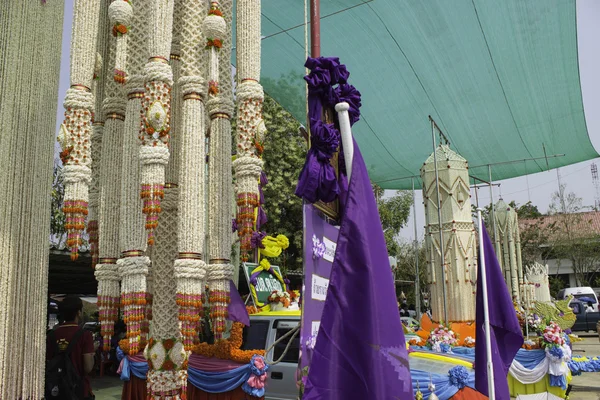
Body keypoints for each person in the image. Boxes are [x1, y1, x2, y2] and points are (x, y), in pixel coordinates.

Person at [46, 296, 95, 399]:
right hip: (78, 389)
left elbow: (49, 361)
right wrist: (92, 352)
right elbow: (88, 368)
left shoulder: (52, 335)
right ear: (78, 312)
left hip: (57, 389)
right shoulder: (85, 335)